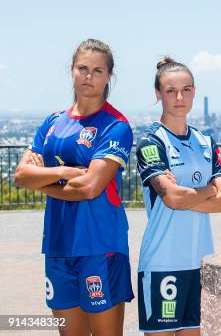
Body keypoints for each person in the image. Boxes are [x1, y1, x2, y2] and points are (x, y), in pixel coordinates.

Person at [14, 38, 134, 335]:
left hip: (100, 245)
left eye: (97, 70)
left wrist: (44, 181)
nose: (88, 76)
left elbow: (90, 188)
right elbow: (21, 176)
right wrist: (67, 171)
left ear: (109, 76)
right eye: (82, 68)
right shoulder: (53, 122)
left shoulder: (115, 125)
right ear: (72, 71)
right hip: (57, 245)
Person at [136, 57, 221, 335]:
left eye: (186, 89)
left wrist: (186, 194)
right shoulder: (151, 142)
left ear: (194, 92)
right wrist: (209, 189)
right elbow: (173, 199)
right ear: (158, 94)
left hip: (201, 265)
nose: (179, 97)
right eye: (170, 90)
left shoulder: (206, 142)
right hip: (162, 264)